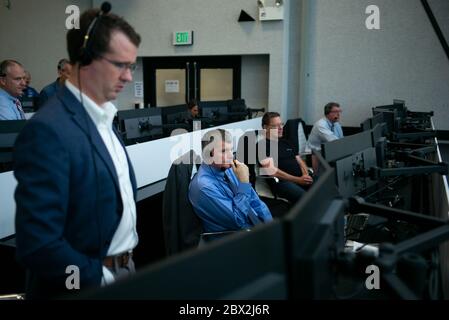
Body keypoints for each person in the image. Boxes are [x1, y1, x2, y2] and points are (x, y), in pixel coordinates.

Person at [13, 6, 141, 299]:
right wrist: (101, 277)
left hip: (124, 268)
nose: (128, 77)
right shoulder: (48, 131)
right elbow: (38, 244)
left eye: (131, 66)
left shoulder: (105, 118)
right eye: (120, 65)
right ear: (85, 60)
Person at [189, 129, 273, 233]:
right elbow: (238, 220)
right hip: (231, 239)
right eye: (224, 151)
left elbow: (255, 200)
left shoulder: (228, 169)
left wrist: (270, 226)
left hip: (254, 228)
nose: (231, 156)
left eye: (231, 150)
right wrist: (244, 183)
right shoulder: (204, 187)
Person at [257, 112, 313, 204]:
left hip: (300, 178)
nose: (280, 128)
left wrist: (305, 175)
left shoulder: (286, 142)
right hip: (283, 182)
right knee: (306, 199)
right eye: (275, 126)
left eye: (281, 124)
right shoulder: (262, 146)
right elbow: (271, 170)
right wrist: (298, 180)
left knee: (322, 187)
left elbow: (299, 161)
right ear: (265, 127)